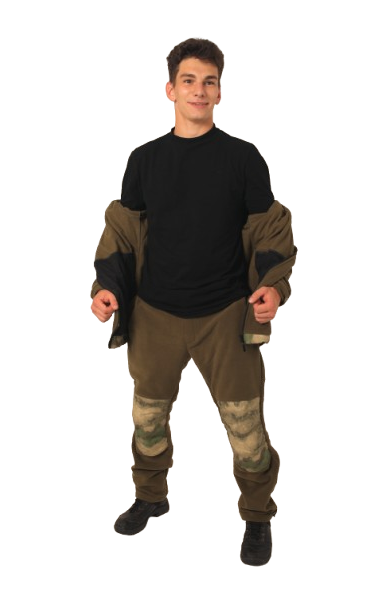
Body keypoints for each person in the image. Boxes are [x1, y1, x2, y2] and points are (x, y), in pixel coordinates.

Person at [90, 37, 297, 566]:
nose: (199, 90)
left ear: (220, 92)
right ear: (170, 90)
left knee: (246, 427)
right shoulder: (144, 160)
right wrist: (107, 288)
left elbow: (271, 231)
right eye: (189, 81)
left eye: (209, 81)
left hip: (225, 314)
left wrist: (272, 287)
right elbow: (121, 233)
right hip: (154, 315)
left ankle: (257, 516)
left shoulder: (243, 157)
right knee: (147, 418)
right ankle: (150, 497)